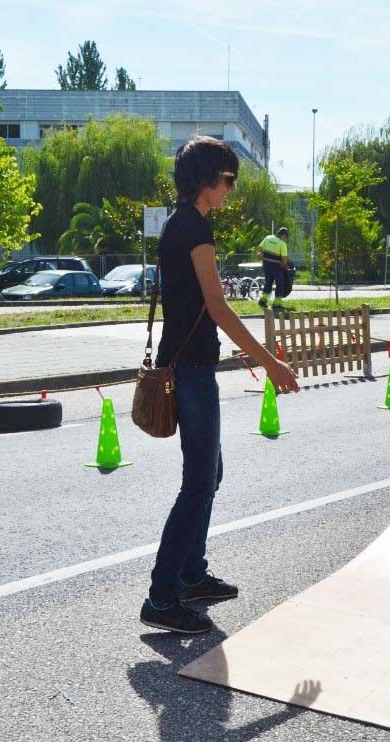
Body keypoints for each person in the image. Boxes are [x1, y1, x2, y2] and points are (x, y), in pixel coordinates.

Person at [142, 136, 299, 635]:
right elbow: (217, 306)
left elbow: (195, 308)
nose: (231, 189)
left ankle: (191, 576)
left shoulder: (178, 223)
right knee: (198, 483)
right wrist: (270, 363)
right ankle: (162, 597)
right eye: (228, 179)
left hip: (187, 362)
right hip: (189, 371)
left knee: (209, 475)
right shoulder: (195, 228)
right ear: (207, 179)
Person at [256, 226, 290, 309]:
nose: (286, 239)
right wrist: (285, 266)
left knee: (268, 282)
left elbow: (259, 248)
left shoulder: (268, 237)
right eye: (286, 237)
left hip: (266, 264)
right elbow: (284, 259)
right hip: (276, 267)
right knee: (280, 283)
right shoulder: (282, 244)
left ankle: (263, 300)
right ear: (284, 235)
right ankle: (277, 303)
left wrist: (260, 254)